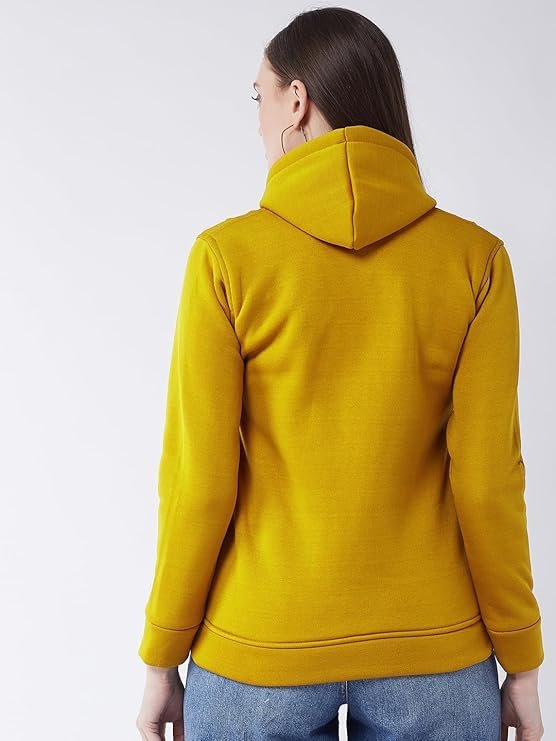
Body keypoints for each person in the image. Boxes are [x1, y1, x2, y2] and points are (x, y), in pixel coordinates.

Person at [136, 7, 545, 740]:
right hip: (436, 652)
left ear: (296, 100)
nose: (257, 117)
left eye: (258, 95)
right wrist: (522, 660)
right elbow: (488, 481)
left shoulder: (226, 260)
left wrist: (162, 654)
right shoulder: (474, 260)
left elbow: (199, 483)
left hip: (259, 649)